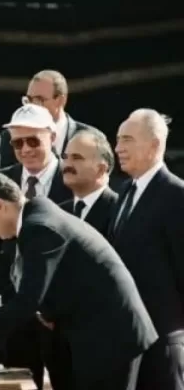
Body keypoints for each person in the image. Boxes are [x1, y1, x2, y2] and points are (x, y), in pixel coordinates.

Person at [0, 172, 157, 390]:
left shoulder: (40, 227)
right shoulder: (27, 224)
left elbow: (27, 302)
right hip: (85, 335)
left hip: (110, 338)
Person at [110, 109, 184, 390]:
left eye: (127, 140)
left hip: (163, 343)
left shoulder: (177, 195)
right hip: (128, 342)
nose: (118, 148)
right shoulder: (124, 192)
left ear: (154, 145)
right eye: (118, 140)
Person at [0, 70, 96, 168]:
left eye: (38, 100)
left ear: (60, 100)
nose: (31, 106)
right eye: (28, 100)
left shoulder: (91, 139)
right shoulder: (10, 137)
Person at [0, 104, 71, 204]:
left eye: (33, 141)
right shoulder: (0, 182)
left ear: (52, 138)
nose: (26, 149)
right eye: (18, 143)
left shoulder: (74, 180)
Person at [59, 129, 118, 237]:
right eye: (65, 157)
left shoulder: (118, 211)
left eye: (77, 158)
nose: (67, 164)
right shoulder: (60, 212)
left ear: (101, 169)